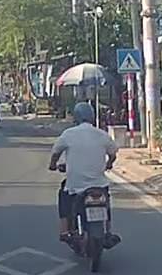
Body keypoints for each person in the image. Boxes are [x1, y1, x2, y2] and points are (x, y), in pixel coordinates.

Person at [48, 102, 119, 243]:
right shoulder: (102, 134)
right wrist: (109, 164)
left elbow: (56, 152)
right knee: (105, 201)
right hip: (99, 184)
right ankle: (108, 230)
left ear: (76, 117)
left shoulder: (69, 134)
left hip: (76, 185)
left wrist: (53, 165)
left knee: (63, 196)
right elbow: (113, 153)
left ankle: (64, 230)